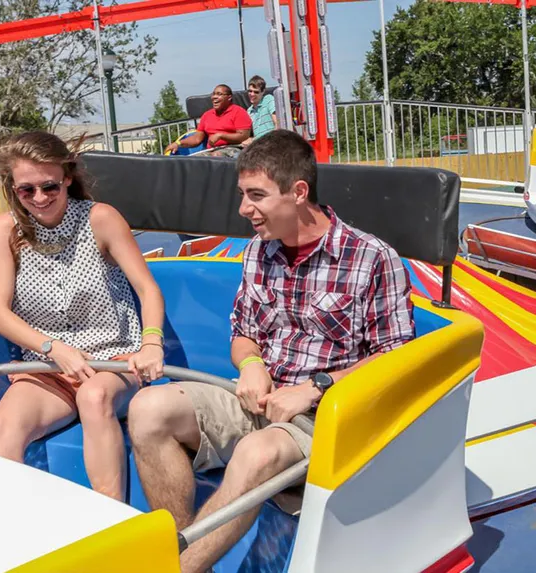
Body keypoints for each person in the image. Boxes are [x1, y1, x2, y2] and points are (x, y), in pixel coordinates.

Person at [127, 129, 416, 573]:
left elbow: (397, 357)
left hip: (325, 416)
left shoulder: (372, 258)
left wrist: (315, 388)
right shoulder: (258, 253)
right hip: (257, 398)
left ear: (298, 192)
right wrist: (251, 363)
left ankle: (178, 570)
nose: (244, 209)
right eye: (242, 194)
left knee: (255, 454)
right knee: (147, 408)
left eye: (255, 195)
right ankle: (183, 551)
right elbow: (242, 333)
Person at [0, 130, 165, 502]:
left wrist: (150, 343)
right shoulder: (5, 230)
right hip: (49, 365)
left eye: (50, 186)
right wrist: (53, 349)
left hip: (111, 359)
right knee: (0, 427)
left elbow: (148, 289)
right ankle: (14, 542)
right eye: (27, 190)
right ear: (13, 189)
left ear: (67, 176)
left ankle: (112, 527)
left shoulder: (100, 219)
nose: (40, 198)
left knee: (95, 398)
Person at [165, 84, 252, 154]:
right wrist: (178, 143)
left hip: (233, 149)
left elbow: (243, 136)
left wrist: (221, 135)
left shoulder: (239, 112)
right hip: (210, 151)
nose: (214, 97)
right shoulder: (207, 115)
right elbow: (196, 139)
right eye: (213, 94)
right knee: (193, 162)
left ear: (229, 97)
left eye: (219, 94)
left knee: (215, 157)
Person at [242, 75, 277, 145]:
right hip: (259, 145)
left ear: (263, 91)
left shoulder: (268, 99)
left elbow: (277, 124)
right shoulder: (249, 111)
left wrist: (255, 140)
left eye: (256, 92)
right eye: (250, 91)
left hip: (272, 141)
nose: (252, 94)